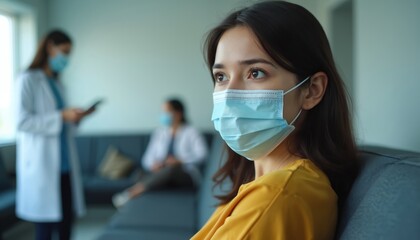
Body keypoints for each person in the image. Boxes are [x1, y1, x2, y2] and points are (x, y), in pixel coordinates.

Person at [192, 1, 359, 239]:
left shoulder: (277, 196)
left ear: (312, 90)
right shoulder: (263, 181)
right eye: (221, 76)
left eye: (256, 73)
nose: (230, 94)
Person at [15, 30, 94, 240]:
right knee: (46, 228)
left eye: (69, 53)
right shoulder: (28, 79)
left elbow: (62, 124)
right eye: (64, 51)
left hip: (65, 166)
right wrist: (60, 116)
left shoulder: (58, 84)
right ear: (50, 47)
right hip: (42, 166)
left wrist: (75, 118)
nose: (66, 58)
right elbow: (22, 121)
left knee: (67, 223)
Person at [112, 98, 208, 208]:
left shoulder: (192, 132)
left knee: (170, 169)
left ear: (178, 113)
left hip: (185, 174)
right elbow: (146, 159)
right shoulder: (159, 133)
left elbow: (202, 155)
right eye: (163, 112)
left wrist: (180, 160)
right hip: (162, 173)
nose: (164, 115)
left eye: (167, 111)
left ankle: (131, 193)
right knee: (139, 174)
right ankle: (156, 184)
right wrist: (154, 165)